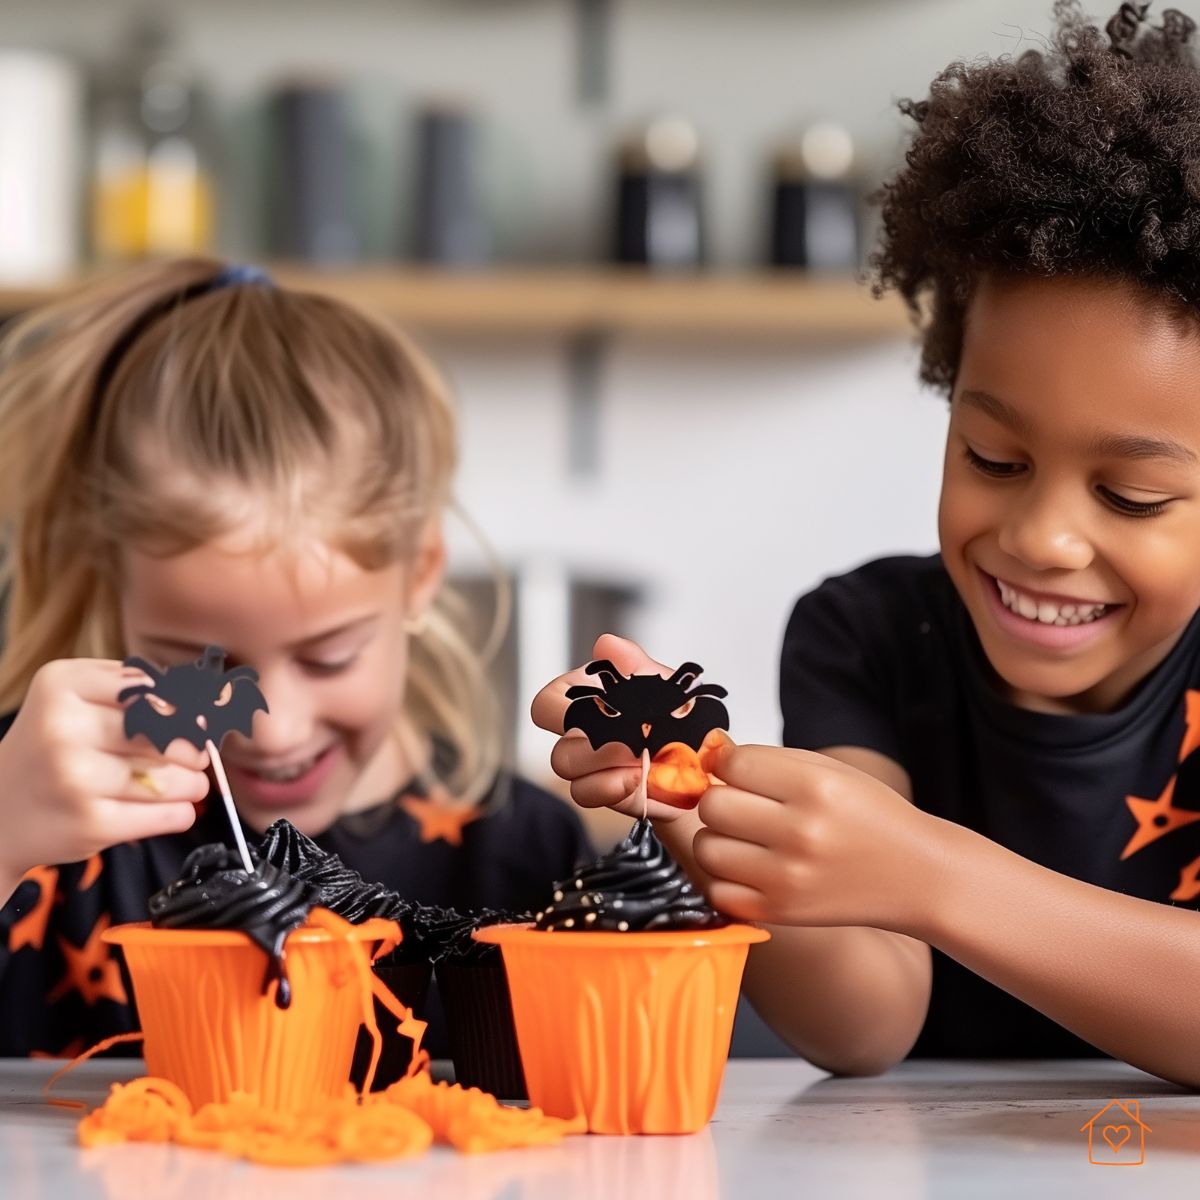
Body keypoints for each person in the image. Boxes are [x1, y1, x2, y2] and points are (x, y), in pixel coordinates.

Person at [534, 1, 1200, 1087]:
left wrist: (931, 872)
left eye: (1129, 496)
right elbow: (865, 1023)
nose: (1042, 538)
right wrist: (703, 813)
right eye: (993, 458)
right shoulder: (872, 635)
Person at [0, 258, 590, 1057]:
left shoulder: (523, 853)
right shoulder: (49, 820)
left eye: (330, 657)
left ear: (419, 575)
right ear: (114, 596)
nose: (273, 732)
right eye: (201, 663)